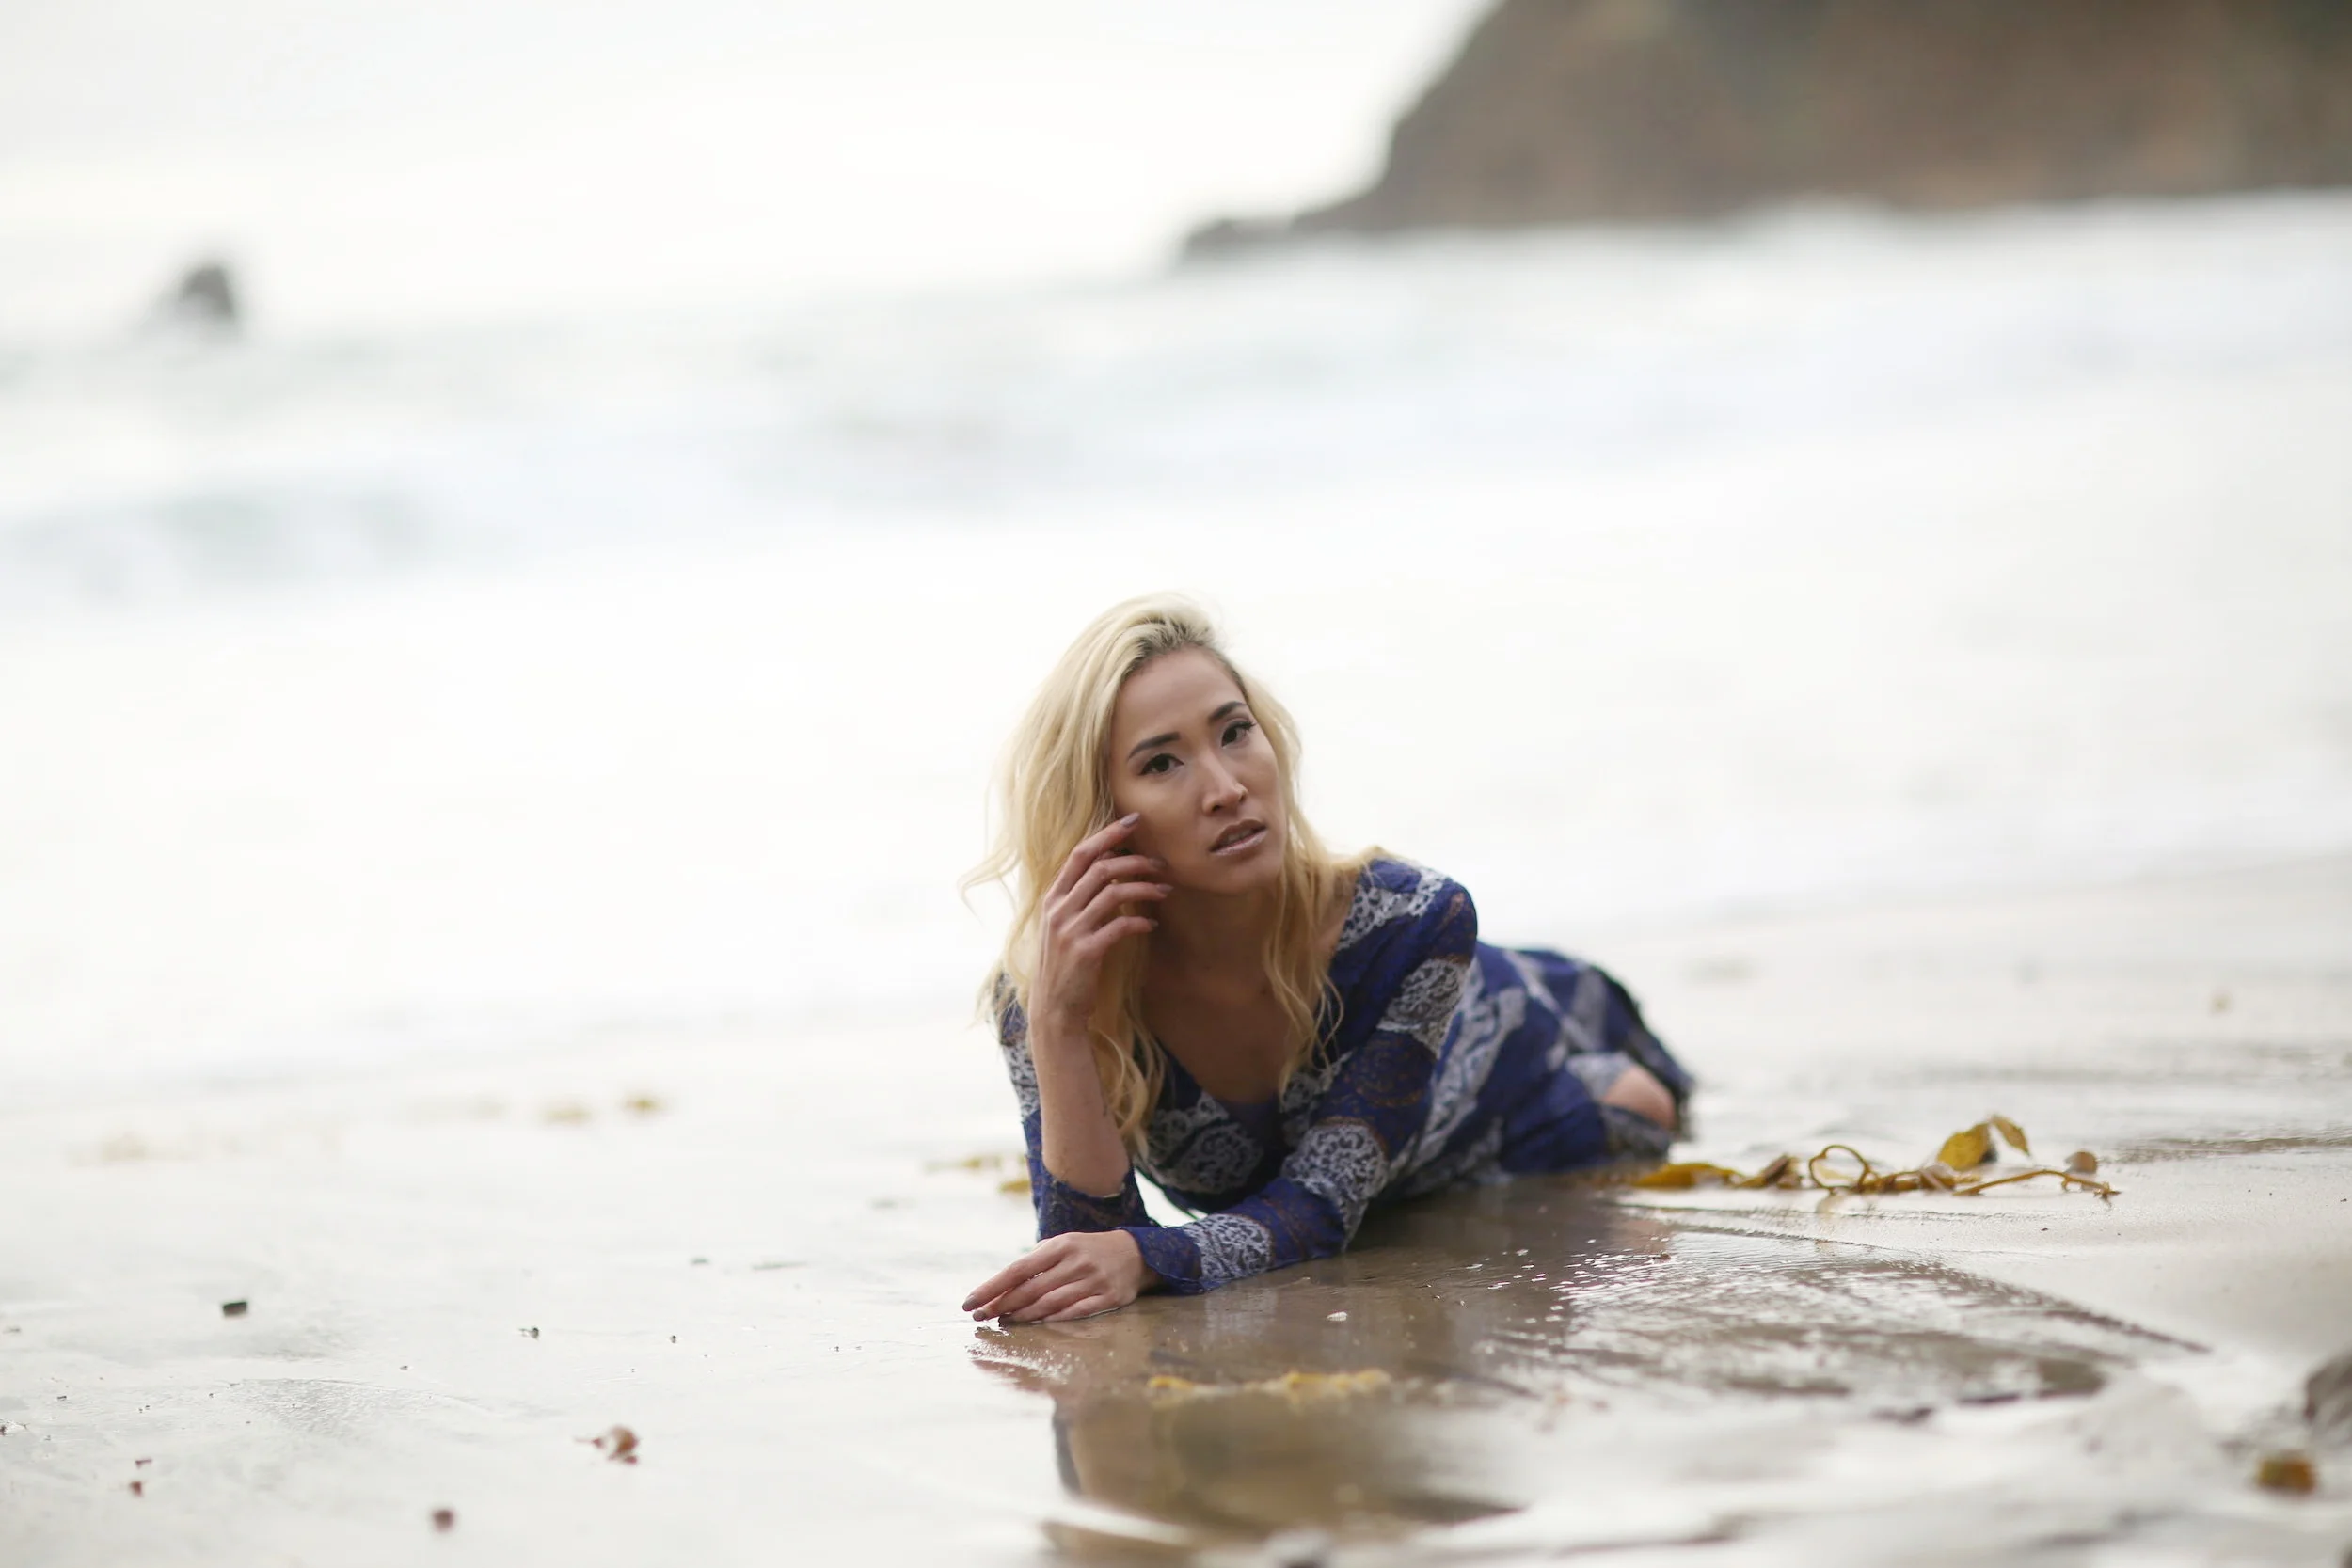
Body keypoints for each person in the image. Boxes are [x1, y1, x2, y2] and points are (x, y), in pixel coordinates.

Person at [961, 595, 1691, 1324]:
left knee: (1638, 1105)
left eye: (1235, 732)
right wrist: (1057, 1024)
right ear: (1099, 814)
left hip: (1512, 1038)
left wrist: (1155, 1255)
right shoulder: (1047, 994)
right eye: (1162, 762)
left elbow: (1321, 1206)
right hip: (1397, 1165)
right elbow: (1082, 1260)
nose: (1226, 787)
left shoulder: (1417, 923)